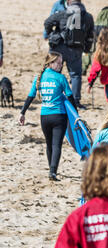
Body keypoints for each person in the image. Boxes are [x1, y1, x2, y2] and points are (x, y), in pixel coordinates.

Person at [19, 52, 77, 181]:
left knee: (49, 144)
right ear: (50, 63)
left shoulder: (39, 77)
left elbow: (30, 96)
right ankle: (53, 172)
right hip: (59, 116)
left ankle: (51, 169)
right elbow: (70, 97)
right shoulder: (61, 78)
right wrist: (76, 115)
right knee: (56, 145)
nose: (61, 65)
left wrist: (22, 112)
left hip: (44, 117)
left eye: (62, 63)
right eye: (58, 63)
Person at [44, 0, 95, 110]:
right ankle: (75, 101)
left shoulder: (62, 13)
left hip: (59, 49)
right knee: (76, 75)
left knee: (55, 73)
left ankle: (54, 97)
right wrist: (86, 49)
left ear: (69, 2)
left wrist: (50, 34)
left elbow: (47, 22)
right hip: (76, 50)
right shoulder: (88, 17)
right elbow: (91, 35)